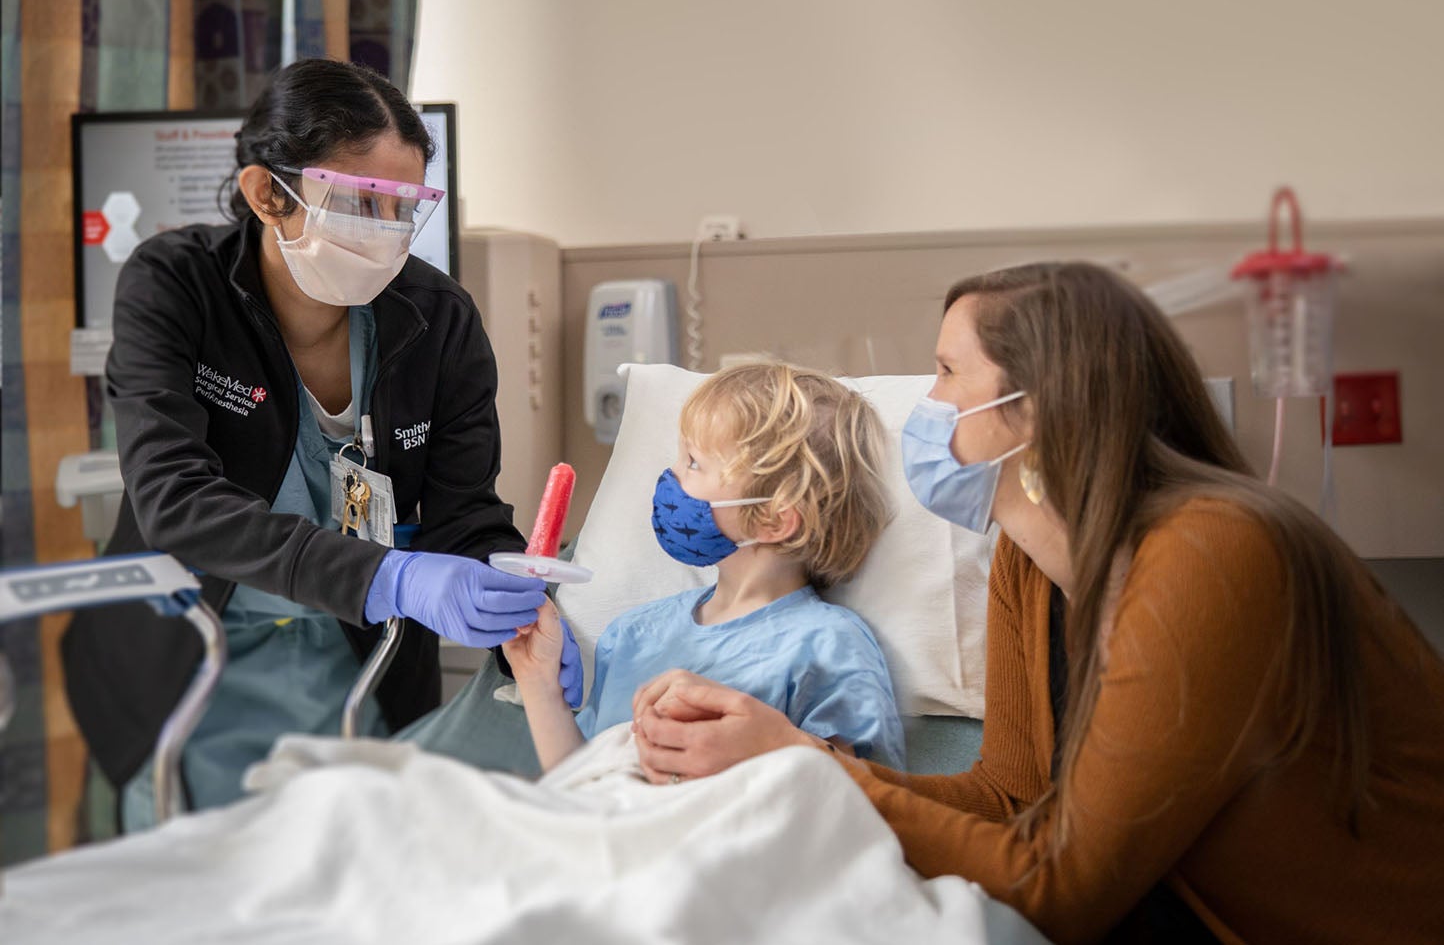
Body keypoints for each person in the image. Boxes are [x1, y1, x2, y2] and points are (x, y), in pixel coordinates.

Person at [631, 263, 1444, 943]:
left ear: (1040, 405)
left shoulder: (1217, 553)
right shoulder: (1025, 562)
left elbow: (1063, 885)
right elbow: (1008, 799)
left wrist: (804, 769)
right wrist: (791, 758)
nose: (927, 404)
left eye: (948, 373)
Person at [62, 58, 578, 831]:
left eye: (404, 208)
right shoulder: (176, 285)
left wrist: (518, 623)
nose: (387, 233)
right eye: (360, 201)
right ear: (269, 194)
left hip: (359, 674)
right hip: (193, 673)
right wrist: (391, 578)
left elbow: (464, 514)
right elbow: (175, 502)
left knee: (358, 874)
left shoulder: (439, 322)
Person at [503, 362, 905, 773]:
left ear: (773, 518)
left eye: (693, 463)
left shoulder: (827, 644)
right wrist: (537, 679)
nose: (669, 478)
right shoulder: (634, 634)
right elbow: (579, 780)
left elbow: (865, 797)